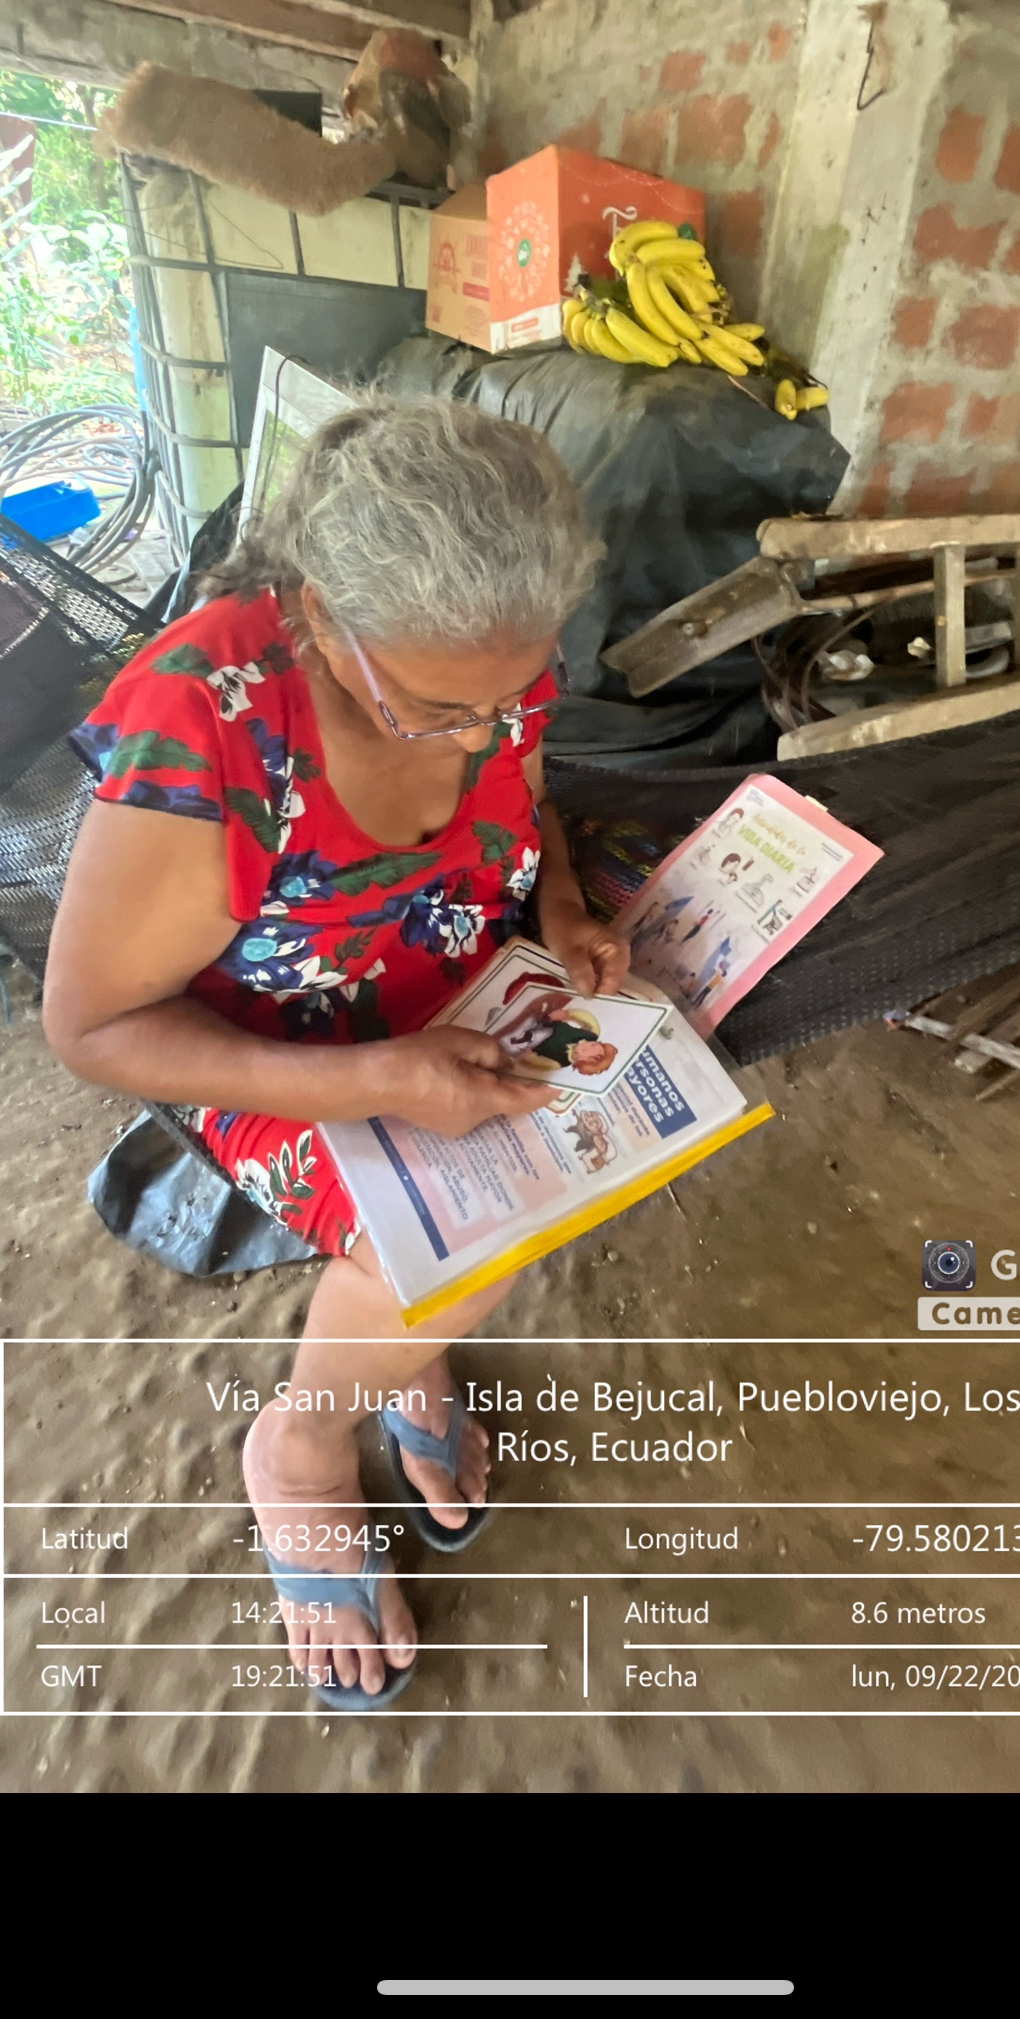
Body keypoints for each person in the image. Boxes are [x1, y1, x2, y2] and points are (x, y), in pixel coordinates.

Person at [43, 396, 630, 1710]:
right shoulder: (211, 726)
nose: (479, 732)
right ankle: (300, 1449)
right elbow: (93, 1029)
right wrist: (372, 1079)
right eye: (433, 705)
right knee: (463, 1242)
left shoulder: (485, 663)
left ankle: (394, 1340)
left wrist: (559, 905)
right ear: (321, 612)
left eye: (509, 693)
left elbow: (526, 792)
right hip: (262, 1045)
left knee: (499, 1210)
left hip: (456, 982)